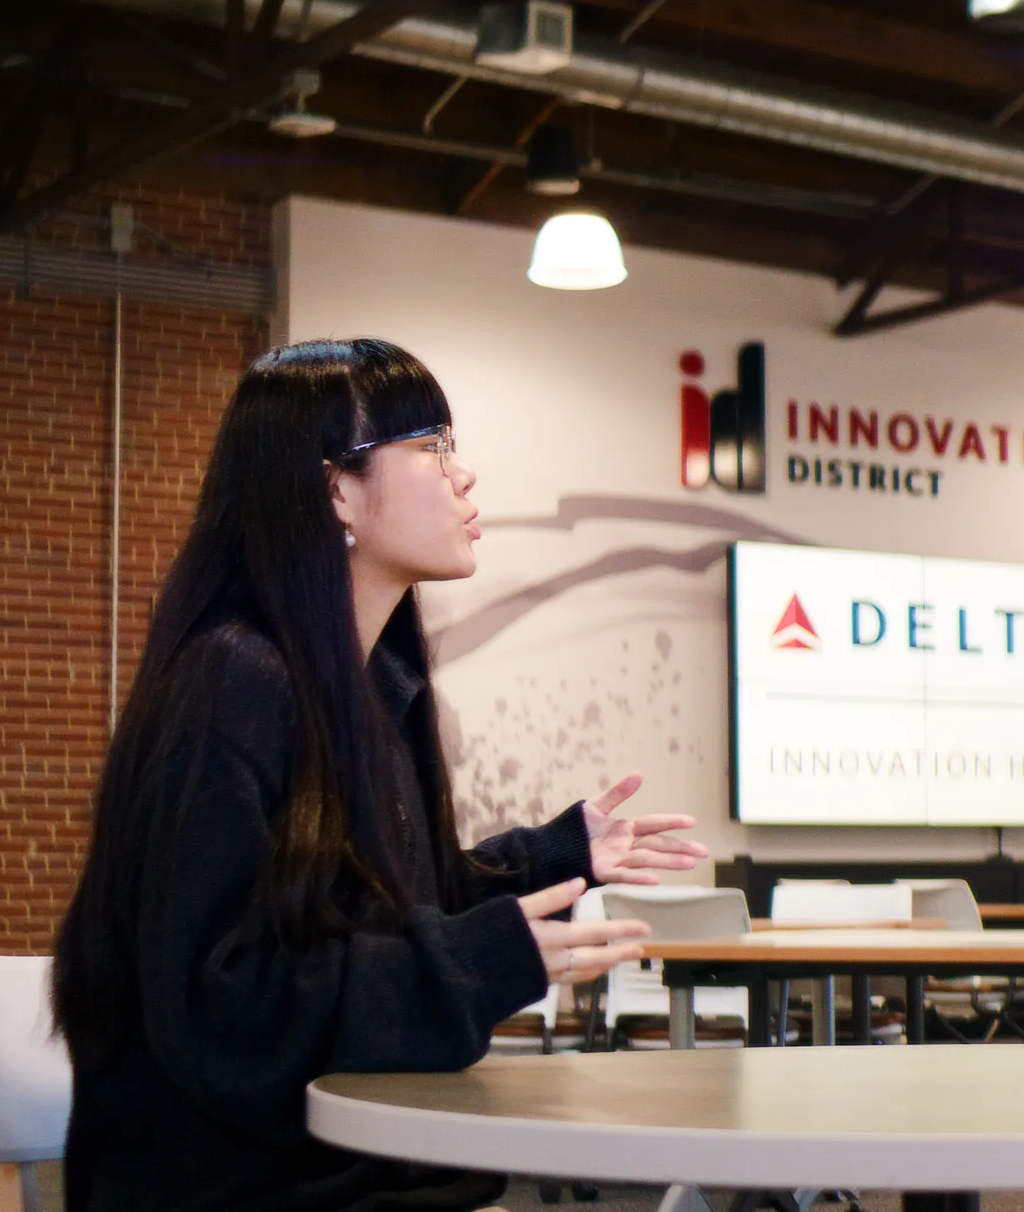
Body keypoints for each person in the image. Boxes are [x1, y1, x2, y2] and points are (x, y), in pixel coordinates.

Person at [51, 338, 708, 1212]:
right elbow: (227, 1007)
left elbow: (380, 915)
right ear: (334, 490)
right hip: (236, 1184)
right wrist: (475, 965)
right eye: (431, 447)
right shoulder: (232, 685)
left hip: (342, 1166)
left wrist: (552, 858)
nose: (464, 476)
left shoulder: (366, 689)